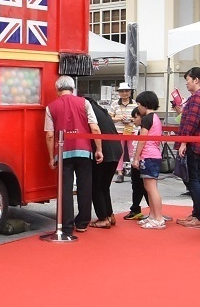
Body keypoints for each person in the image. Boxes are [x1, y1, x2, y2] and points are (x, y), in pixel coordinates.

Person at [44, 76, 103, 235]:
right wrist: (98, 149)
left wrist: (51, 157)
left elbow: (49, 135)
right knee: (85, 187)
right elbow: (95, 128)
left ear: (57, 90)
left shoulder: (51, 107)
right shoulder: (85, 103)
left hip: (63, 153)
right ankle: (83, 223)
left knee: (65, 189)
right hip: (84, 150)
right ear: (73, 88)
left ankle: (67, 226)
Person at [175, 67, 200, 229]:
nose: (187, 83)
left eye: (188, 80)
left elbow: (191, 122)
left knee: (193, 180)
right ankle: (198, 213)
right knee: (196, 179)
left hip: (193, 143)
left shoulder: (198, 97)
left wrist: (184, 142)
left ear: (196, 80)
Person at [132, 91, 166, 229]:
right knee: (150, 187)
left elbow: (142, 140)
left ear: (145, 104)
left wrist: (136, 157)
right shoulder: (156, 117)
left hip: (148, 155)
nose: (138, 107)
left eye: (139, 104)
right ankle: (153, 215)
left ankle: (158, 218)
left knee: (151, 188)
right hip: (154, 154)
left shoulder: (147, 119)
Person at [87, 97, 123, 228]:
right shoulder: (102, 112)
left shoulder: (89, 111)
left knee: (96, 186)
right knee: (104, 186)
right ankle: (109, 215)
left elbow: (95, 130)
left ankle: (103, 218)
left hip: (104, 149)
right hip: (116, 148)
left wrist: (98, 149)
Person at [122, 107, 151, 222]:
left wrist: (137, 158)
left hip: (143, 160)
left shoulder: (145, 129)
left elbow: (142, 143)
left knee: (147, 187)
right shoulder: (138, 129)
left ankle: (154, 211)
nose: (133, 119)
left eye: (135, 117)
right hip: (137, 160)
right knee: (138, 186)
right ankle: (136, 209)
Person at [108, 83, 137, 182]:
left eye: (127, 91)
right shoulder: (114, 104)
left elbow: (139, 117)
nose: (124, 93)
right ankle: (120, 172)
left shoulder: (135, 103)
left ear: (130, 92)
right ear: (119, 93)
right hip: (119, 131)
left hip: (131, 130)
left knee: (132, 152)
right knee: (119, 152)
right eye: (122, 91)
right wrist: (119, 118)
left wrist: (131, 119)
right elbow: (110, 118)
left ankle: (134, 172)